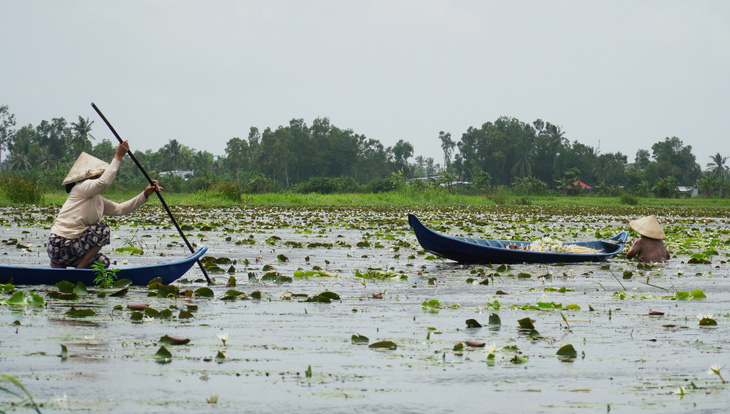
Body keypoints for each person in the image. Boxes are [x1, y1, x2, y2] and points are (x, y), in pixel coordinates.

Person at [47, 140, 162, 268]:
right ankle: (76, 270)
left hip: (68, 248)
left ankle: (64, 271)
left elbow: (120, 209)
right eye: (98, 175)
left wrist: (145, 194)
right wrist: (118, 157)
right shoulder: (81, 187)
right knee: (103, 229)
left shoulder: (97, 200)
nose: (99, 176)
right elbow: (104, 183)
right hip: (61, 244)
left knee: (102, 263)